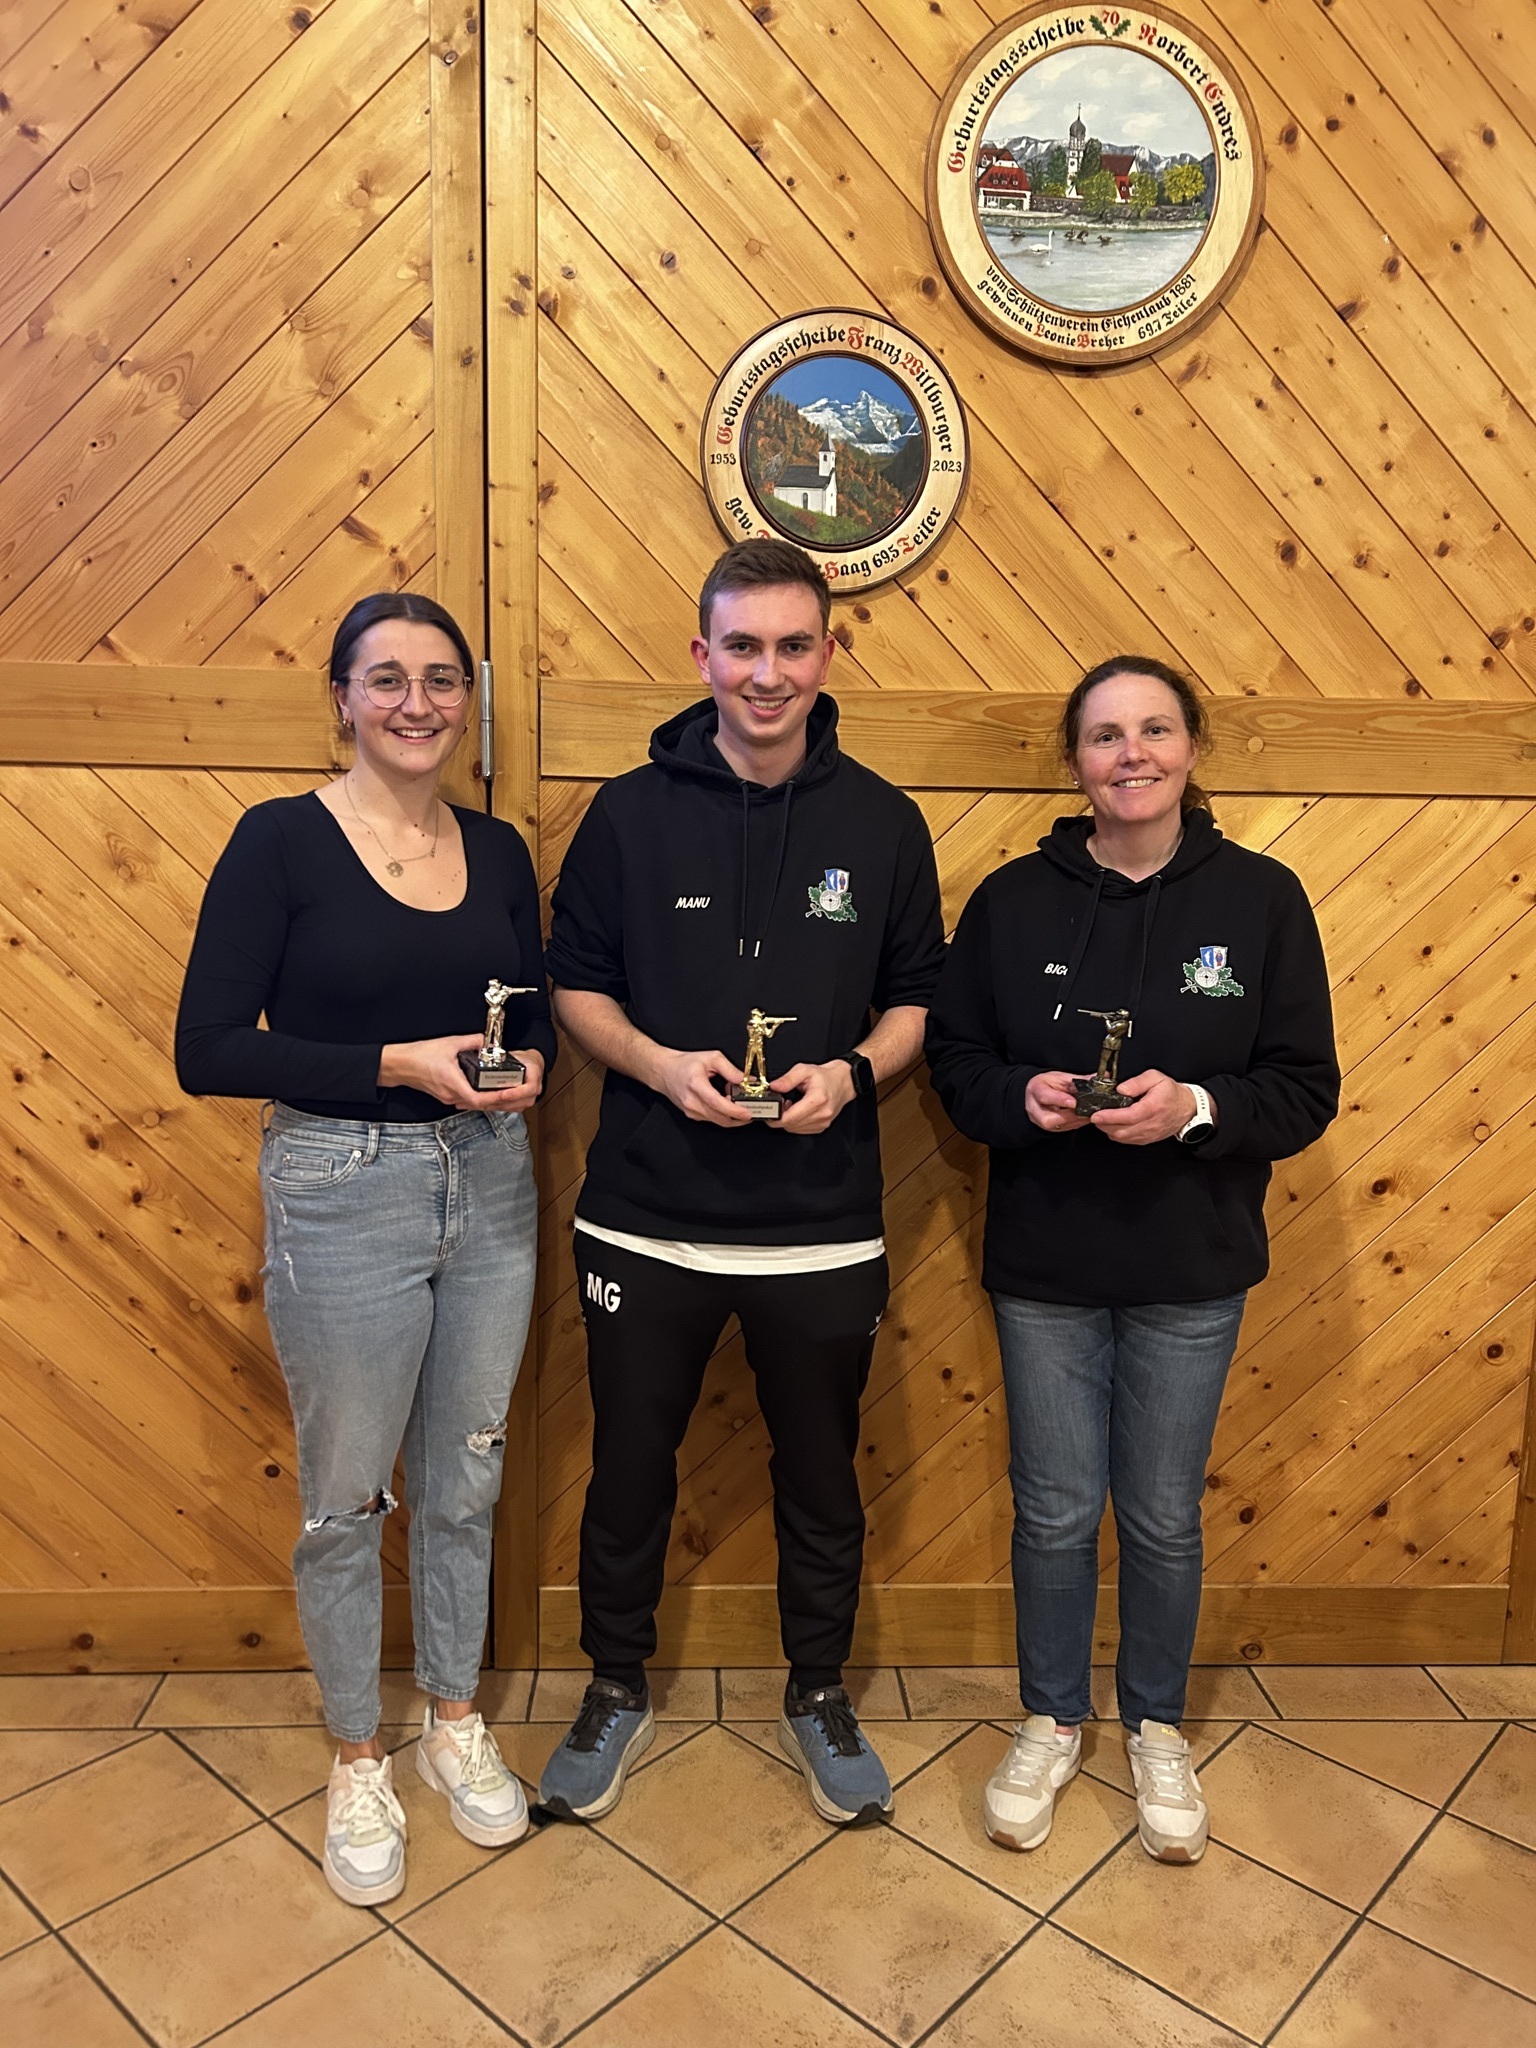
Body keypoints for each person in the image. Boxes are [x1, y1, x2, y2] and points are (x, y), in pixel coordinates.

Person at [539, 538, 944, 1827]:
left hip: (820, 1228)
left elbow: (918, 997)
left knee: (822, 1476)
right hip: (645, 1220)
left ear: (829, 653)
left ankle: (819, 1692)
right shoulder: (626, 813)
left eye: (793, 645)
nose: (768, 673)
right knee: (628, 1473)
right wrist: (660, 1066)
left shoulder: (884, 822)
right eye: (744, 645)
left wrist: (855, 1074)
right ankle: (613, 1684)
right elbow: (573, 984)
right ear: (702, 653)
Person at [175, 592, 555, 1906]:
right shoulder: (279, 840)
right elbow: (207, 1047)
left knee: (466, 1472)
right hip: (342, 1184)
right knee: (346, 1497)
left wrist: (525, 1067)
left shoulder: (497, 849)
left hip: (490, 1182)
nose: (416, 703)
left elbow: (527, 1009)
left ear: (469, 701)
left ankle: (451, 1717)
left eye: (441, 679)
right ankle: (355, 1755)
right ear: (340, 696)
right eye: (385, 677)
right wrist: (394, 1063)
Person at [925, 655, 1337, 1865]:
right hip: (1045, 1262)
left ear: (1192, 748)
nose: (1132, 753)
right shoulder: (1011, 901)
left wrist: (1195, 1108)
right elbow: (955, 1063)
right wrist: (1022, 1096)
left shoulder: (1263, 898)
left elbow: (1304, 1088)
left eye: (1155, 728)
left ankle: (1156, 1724)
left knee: (1159, 1514)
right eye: (1105, 735)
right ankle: (1052, 1717)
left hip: (1193, 1265)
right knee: (1054, 1510)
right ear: (1075, 762)